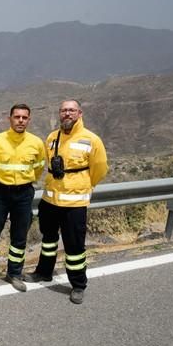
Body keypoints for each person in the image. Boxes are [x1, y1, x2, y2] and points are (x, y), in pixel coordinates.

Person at [23, 100, 108, 304]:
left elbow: (100, 169)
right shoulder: (53, 137)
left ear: (79, 113)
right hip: (50, 200)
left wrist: (83, 185)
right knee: (49, 241)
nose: (67, 114)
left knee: (74, 247)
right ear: (59, 114)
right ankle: (44, 272)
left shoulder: (91, 139)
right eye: (63, 110)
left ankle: (78, 285)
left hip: (74, 204)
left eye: (71, 110)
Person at [0, 104, 44, 292]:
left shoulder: (36, 143)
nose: (20, 120)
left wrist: (25, 182)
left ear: (29, 120)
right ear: (10, 119)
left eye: (24, 117)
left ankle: (14, 273)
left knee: (19, 236)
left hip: (23, 193)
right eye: (17, 117)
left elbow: (38, 168)